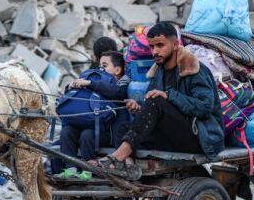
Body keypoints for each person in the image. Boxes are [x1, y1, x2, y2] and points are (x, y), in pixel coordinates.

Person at [90, 22, 224, 178]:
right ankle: (129, 167)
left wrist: (169, 95)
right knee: (123, 128)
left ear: (175, 45)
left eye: (160, 45)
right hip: (171, 134)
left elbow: (204, 107)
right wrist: (138, 107)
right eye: (152, 47)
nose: (155, 51)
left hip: (198, 136)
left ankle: (117, 157)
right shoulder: (158, 72)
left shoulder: (195, 69)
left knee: (157, 100)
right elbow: (153, 109)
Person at [56, 51, 130, 178]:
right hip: (87, 124)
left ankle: (88, 169)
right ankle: (71, 168)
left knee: (87, 134)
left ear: (117, 70)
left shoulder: (121, 83)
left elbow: (115, 92)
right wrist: (72, 86)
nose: (100, 69)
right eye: (99, 65)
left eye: (105, 65)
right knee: (66, 131)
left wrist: (90, 83)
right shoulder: (95, 79)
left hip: (107, 133)